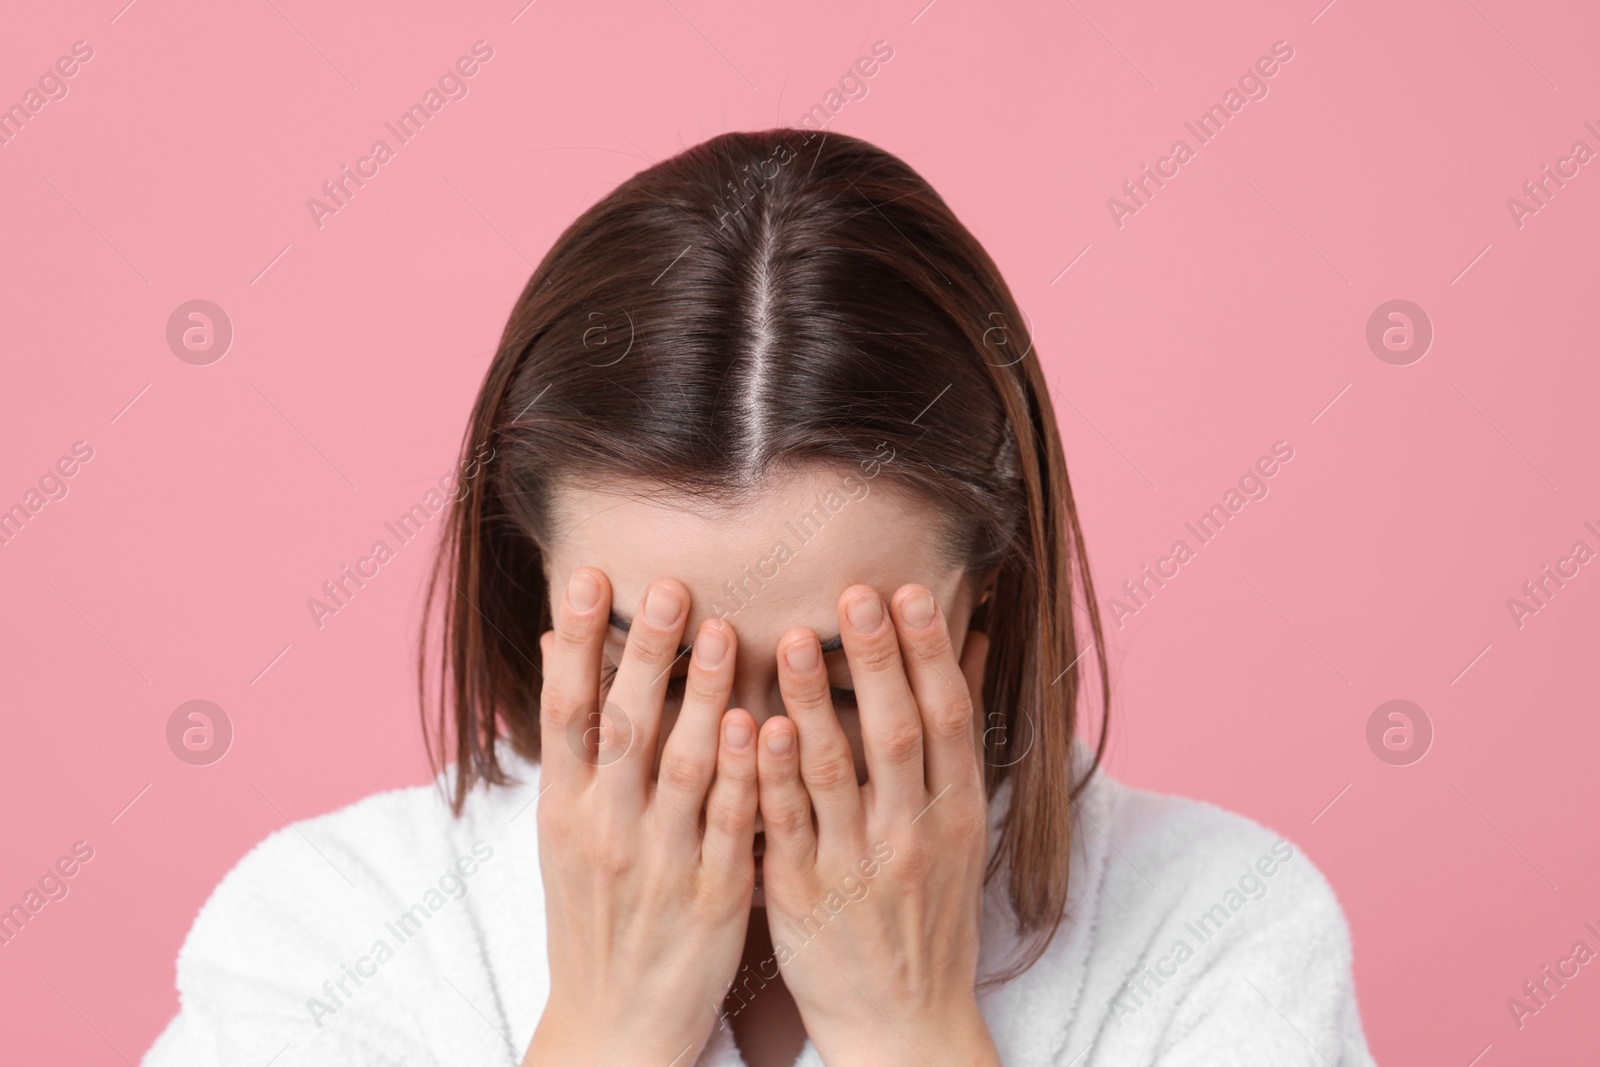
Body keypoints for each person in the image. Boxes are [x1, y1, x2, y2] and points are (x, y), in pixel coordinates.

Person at [142, 129, 1376, 1066]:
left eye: (838, 679)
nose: (743, 751)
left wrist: (913, 1033)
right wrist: (606, 1031)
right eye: (659, 668)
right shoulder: (323, 930)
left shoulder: (1219, 924)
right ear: (534, 585)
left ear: (984, 611)